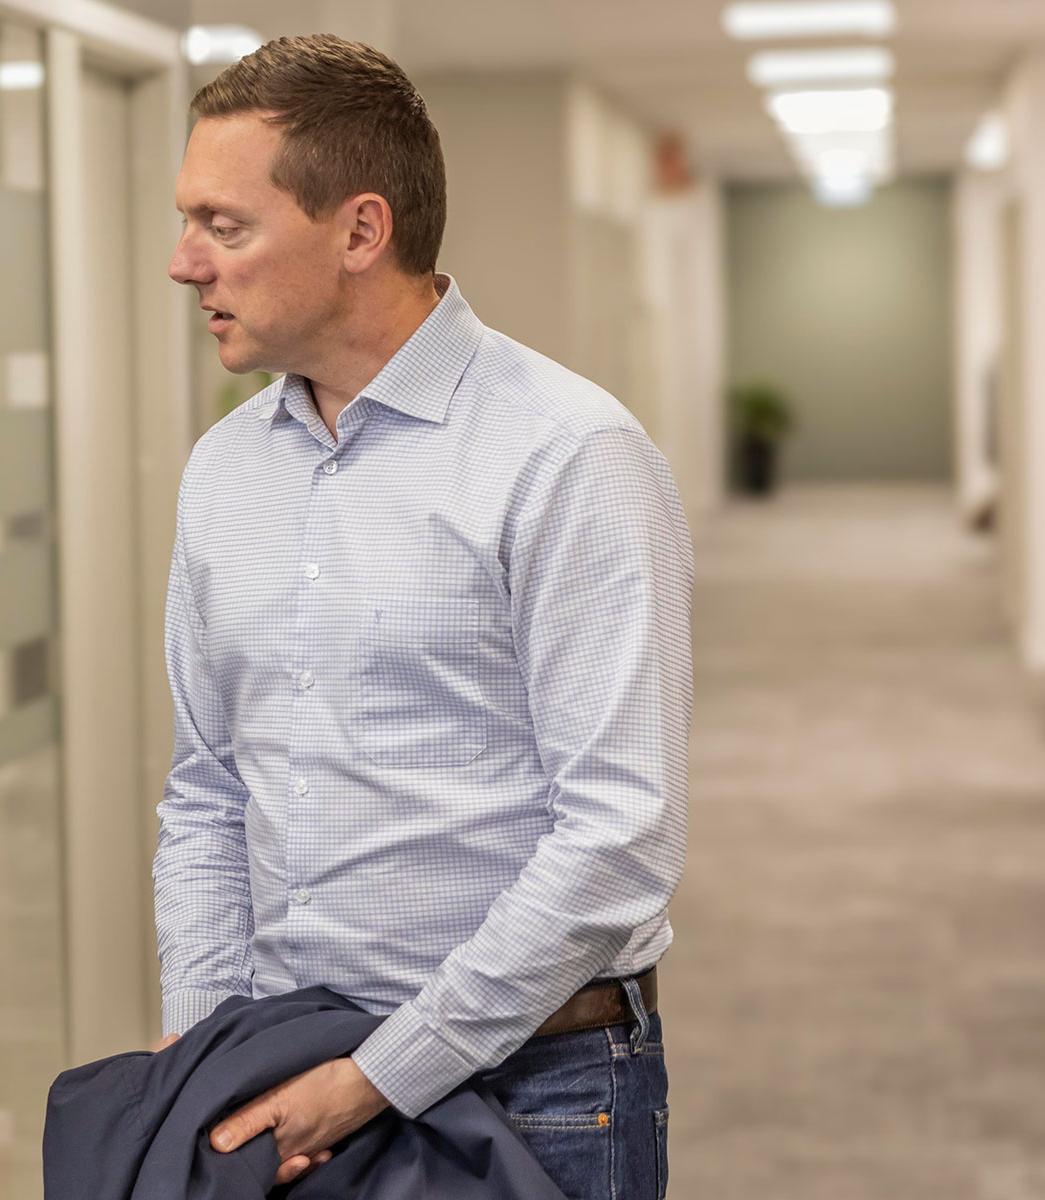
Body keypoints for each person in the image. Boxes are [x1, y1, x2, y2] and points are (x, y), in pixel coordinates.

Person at [157, 34, 690, 1199]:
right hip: (279, 1081)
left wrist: (376, 1076)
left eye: (223, 226)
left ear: (358, 231)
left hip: (536, 1089)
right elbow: (208, 784)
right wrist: (206, 1052)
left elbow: (615, 840)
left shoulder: (567, 456)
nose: (182, 263)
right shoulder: (224, 471)